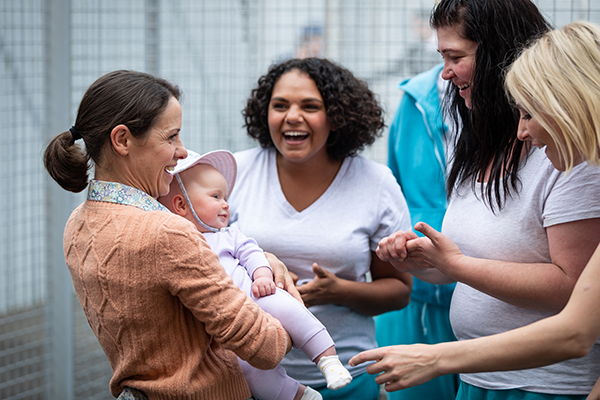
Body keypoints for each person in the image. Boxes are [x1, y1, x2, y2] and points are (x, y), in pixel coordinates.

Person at [351, 0, 600, 399]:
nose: (445, 73)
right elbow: (468, 267)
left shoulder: (573, 158)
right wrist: (430, 262)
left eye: (455, 57)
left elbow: (575, 323)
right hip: (482, 379)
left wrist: (440, 354)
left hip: (542, 385)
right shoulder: (480, 147)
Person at [42, 70, 293, 400]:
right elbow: (265, 347)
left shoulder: (77, 225)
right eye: (171, 137)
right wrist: (293, 302)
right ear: (122, 140)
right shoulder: (167, 232)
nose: (182, 151)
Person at [228, 57, 413, 400]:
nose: (292, 116)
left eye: (310, 106)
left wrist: (338, 291)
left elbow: (399, 289)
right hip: (248, 379)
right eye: (280, 105)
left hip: (346, 377)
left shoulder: (375, 183)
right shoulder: (233, 172)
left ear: (338, 116)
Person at [158, 149, 353, 400]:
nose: (226, 204)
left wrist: (261, 275)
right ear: (181, 205)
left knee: (293, 311)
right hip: (224, 321)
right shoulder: (178, 242)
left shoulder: (229, 235)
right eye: (216, 196)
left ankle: (328, 360)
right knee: (247, 369)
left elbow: (253, 253)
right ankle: (297, 395)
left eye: (226, 196)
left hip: (257, 295)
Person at [375, 62, 459, 400]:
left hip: (488, 295)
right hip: (418, 293)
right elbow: (395, 187)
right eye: (444, 54)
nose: (448, 68)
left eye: (457, 55)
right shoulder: (415, 98)